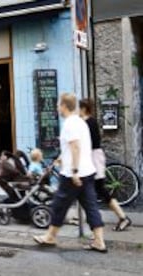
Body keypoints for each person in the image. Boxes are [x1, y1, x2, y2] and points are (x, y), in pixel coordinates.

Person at [33, 93, 107, 253]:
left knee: (59, 205)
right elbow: (73, 147)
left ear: (64, 106)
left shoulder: (69, 124)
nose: (57, 107)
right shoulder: (81, 122)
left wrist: (74, 170)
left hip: (73, 175)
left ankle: (50, 237)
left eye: (59, 104)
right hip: (88, 172)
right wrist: (60, 159)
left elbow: (75, 147)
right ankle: (99, 241)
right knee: (91, 206)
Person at [79, 99, 132, 231]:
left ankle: (122, 217)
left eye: (78, 108)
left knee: (99, 190)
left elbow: (88, 143)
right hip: (92, 157)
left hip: (93, 158)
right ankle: (84, 218)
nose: (77, 111)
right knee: (89, 189)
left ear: (84, 108)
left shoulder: (88, 122)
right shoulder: (89, 122)